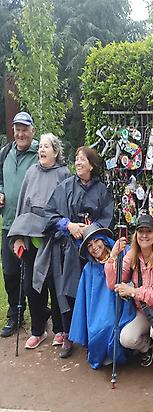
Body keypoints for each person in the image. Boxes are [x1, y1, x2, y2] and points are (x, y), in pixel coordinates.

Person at [40, 146, 114, 358]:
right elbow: (49, 214)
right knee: (68, 292)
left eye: (83, 160)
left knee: (92, 293)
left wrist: (90, 231)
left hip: (93, 249)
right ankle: (68, 335)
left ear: (91, 165)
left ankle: (93, 336)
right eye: (76, 159)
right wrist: (69, 225)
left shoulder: (102, 191)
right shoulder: (65, 187)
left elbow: (107, 217)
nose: (78, 163)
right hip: (69, 249)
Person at [7, 133, 70, 348]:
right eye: (40, 146)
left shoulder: (64, 174)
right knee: (31, 287)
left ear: (56, 151)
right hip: (31, 239)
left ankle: (60, 329)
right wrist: (18, 236)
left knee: (55, 284)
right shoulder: (31, 172)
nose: (42, 150)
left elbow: (67, 208)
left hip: (54, 239)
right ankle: (38, 330)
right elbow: (21, 208)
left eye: (46, 147)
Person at [105, 214, 153, 367]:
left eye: (149, 231)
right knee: (126, 338)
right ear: (136, 234)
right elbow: (113, 283)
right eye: (141, 231)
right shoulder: (132, 255)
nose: (144, 235)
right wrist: (113, 257)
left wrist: (133, 291)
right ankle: (148, 347)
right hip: (144, 310)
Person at [69, 224, 136, 369]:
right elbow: (85, 301)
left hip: (123, 307)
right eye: (89, 245)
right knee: (99, 329)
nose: (94, 247)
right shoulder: (89, 269)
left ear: (104, 240)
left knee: (113, 328)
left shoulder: (123, 254)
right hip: (99, 312)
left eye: (96, 241)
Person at [0, 112, 38, 337]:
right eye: (18, 129)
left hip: (30, 227)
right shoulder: (5, 153)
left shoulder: (38, 154)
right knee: (10, 272)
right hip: (8, 225)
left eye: (25, 129)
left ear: (32, 131)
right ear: (13, 131)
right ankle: (14, 313)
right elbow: (1, 180)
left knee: (32, 274)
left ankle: (38, 313)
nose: (21, 133)